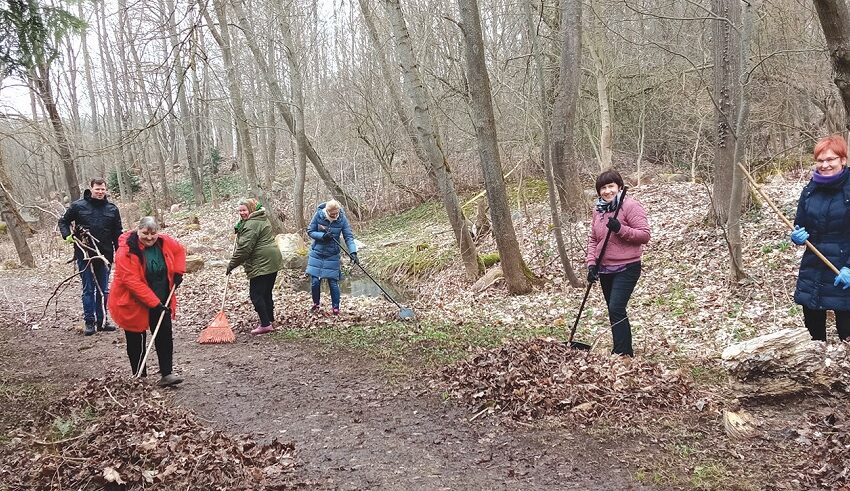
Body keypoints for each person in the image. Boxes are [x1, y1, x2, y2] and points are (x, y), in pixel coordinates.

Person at [108, 217, 186, 386]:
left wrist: (179, 271)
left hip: (162, 296)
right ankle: (139, 377)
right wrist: (154, 303)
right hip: (132, 301)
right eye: (145, 233)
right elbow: (131, 281)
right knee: (136, 338)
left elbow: (180, 251)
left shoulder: (164, 241)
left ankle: (167, 373)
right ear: (138, 230)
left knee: (164, 334)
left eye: (153, 233)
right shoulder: (126, 250)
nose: (149, 238)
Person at [790, 134, 850, 342]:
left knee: (847, 335)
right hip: (813, 268)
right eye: (820, 160)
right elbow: (800, 222)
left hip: (843, 270)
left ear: (843, 159)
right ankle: (818, 373)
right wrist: (798, 236)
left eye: (831, 159)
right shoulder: (810, 190)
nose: (825, 165)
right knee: (813, 338)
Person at [586, 170, 651, 357]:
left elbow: (644, 235)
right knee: (613, 311)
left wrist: (620, 229)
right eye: (603, 188)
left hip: (627, 266)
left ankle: (624, 354)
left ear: (619, 187)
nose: (607, 191)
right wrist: (591, 264)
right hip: (605, 268)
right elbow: (593, 239)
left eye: (611, 186)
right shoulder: (598, 211)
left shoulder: (630, 206)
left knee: (616, 307)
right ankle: (620, 349)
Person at [58, 178, 123, 336]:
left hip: (105, 255)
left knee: (104, 290)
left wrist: (120, 252)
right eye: (97, 189)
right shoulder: (78, 206)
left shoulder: (112, 209)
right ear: (91, 189)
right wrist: (68, 236)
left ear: (105, 190)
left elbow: (118, 233)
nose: (100, 192)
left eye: (102, 189)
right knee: (88, 289)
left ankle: (102, 321)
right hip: (85, 255)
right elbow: (63, 221)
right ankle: (89, 322)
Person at [226, 198, 283, 334]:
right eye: (239, 211)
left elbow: (244, 249)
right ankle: (270, 319)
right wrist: (240, 228)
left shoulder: (251, 224)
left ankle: (265, 324)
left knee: (256, 294)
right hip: (272, 259)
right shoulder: (261, 219)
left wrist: (231, 265)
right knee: (266, 292)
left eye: (244, 210)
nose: (241, 213)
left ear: (251, 210)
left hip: (261, 261)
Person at [306, 199, 358, 315]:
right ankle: (316, 303)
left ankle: (336, 307)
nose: (335, 216)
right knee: (315, 282)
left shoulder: (342, 219)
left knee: (333, 282)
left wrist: (353, 252)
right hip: (317, 252)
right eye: (332, 214)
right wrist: (323, 236)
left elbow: (348, 236)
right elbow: (310, 231)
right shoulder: (318, 216)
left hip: (332, 254)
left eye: (336, 213)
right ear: (327, 211)